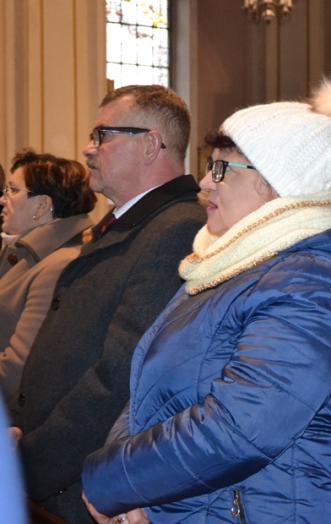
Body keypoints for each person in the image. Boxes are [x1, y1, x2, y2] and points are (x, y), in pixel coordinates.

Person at [81, 70, 331, 523]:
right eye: (209, 166)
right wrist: (132, 486)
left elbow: (241, 427)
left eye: (222, 168)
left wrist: (117, 481)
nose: (204, 183)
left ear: (278, 183)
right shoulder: (227, 265)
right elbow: (151, 390)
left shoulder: (313, 287)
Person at [9, 84, 206, 522]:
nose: (88, 148)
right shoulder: (132, 222)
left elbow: (118, 376)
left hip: (79, 485)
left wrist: (32, 464)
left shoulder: (177, 229)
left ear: (151, 144)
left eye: (102, 135)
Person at [0, 150, 95, 399]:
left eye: (13, 190)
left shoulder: (60, 264)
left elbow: (17, 370)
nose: (3, 199)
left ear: (42, 205)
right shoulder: (27, 252)